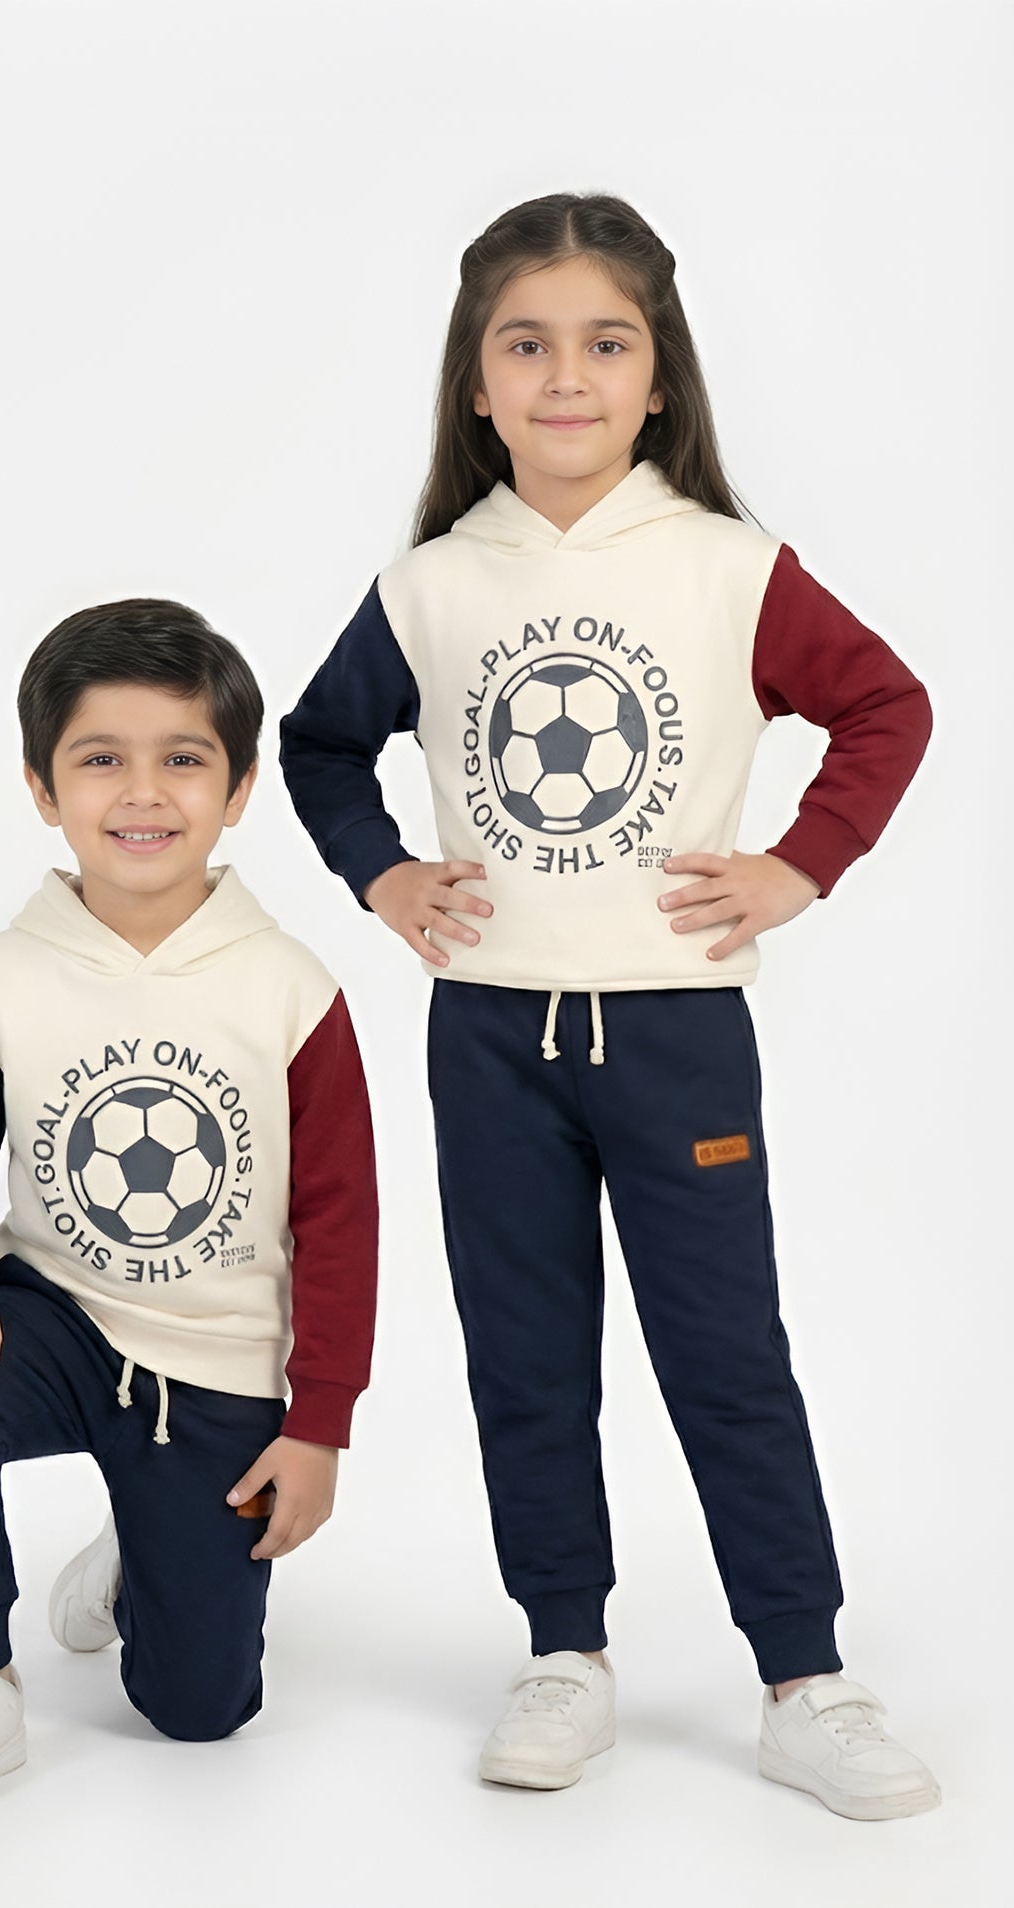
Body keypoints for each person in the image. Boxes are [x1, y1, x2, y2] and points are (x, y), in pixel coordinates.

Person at [280, 192, 939, 1820]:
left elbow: (883, 704)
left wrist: (800, 863)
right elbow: (312, 742)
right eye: (526, 343)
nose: (564, 373)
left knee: (725, 1356)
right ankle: (562, 1649)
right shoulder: (433, 585)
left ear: (657, 379)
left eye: (603, 341)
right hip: (491, 1035)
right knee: (524, 1355)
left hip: (670, 1029)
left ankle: (806, 1674)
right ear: (476, 382)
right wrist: (384, 871)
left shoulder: (724, 567)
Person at [0, 598, 378, 1810]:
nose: (142, 794)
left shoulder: (289, 989)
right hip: (52, 1320)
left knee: (200, 1715)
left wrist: (319, 1426)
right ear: (46, 788)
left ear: (239, 788)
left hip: (214, 1373)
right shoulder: (0, 976)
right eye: (102, 759)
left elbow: (343, 1226)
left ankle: (137, 1564)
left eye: (183, 760)